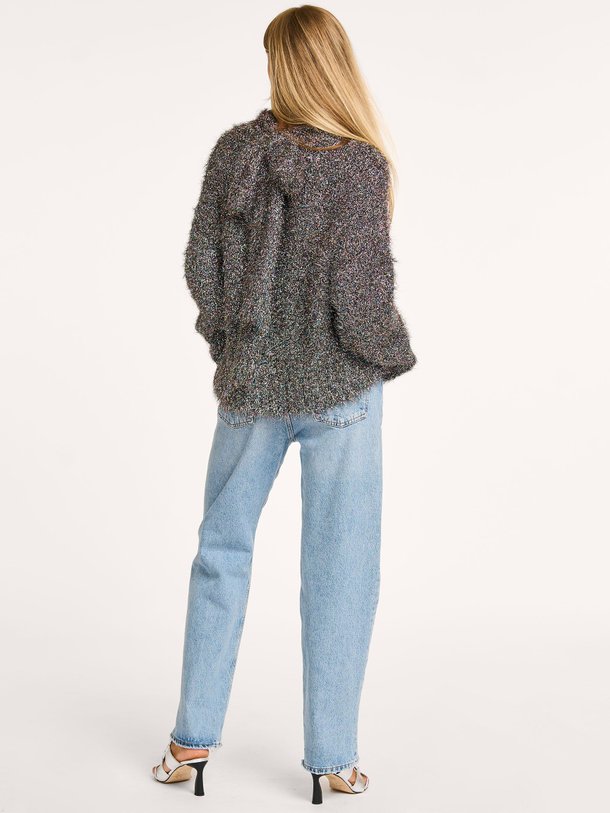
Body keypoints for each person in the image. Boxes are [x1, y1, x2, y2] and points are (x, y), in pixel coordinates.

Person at [152, 4, 417, 804]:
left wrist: (235, 343)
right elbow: (360, 295)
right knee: (341, 567)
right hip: (341, 389)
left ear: (282, 66)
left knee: (221, 549)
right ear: (337, 65)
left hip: (252, 383)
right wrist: (389, 351)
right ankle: (331, 761)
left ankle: (189, 744)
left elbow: (200, 264)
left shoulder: (236, 151)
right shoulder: (362, 164)